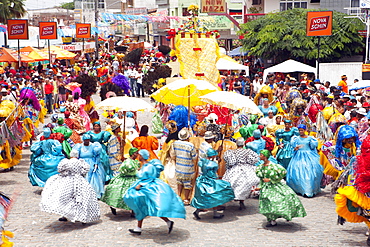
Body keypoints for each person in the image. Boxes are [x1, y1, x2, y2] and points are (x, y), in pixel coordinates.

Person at [123, 150, 186, 235]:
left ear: (142, 156)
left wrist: (141, 184)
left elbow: (150, 177)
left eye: (139, 154)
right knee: (142, 205)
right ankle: (139, 228)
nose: (138, 156)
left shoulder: (149, 166)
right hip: (144, 187)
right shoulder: (144, 165)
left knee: (152, 206)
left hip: (149, 188)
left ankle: (167, 222)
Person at [39, 150, 100, 224]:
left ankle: (65, 215)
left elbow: (60, 170)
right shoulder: (81, 162)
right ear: (77, 155)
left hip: (67, 181)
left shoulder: (66, 162)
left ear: (70, 155)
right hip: (80, 181)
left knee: (65, 199)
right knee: (82, 199)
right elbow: (85, 171)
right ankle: (82, 217)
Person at [256, 150, 307, 227]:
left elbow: (283, 172)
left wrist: (272, 179)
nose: (259, 156)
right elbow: (261, 178)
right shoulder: (260, 167)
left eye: (261, 155)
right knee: (268, 203)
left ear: (265, 156)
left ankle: (286, 213)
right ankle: (272, 220)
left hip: (275, 186)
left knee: (281, 199)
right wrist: (260, 186)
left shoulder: (274, 166)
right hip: (266, 188)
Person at [191, 148, 234, 220]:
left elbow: (201, 165)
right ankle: (215, 213)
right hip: (211, 181)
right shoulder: (213, 164)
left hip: (202, 180)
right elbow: (214, 172)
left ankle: (198, 211)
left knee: (205, 197)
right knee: (215, 195)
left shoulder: (202, 161)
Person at [286, 124, 323, 197]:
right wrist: (295, 148)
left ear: (305, 130)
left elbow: (313, 147)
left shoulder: (310, 138)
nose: (300, 132)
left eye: (302, 130)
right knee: (297, 171)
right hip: (298, 157)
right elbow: (293, 148)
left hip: (309, 157)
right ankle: (299, 189)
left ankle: (308, 190)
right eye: (299, 130)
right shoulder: (296, 138)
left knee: (310, 172)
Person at [223, 138, 260, 210]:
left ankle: (232, 197)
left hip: (235, 169)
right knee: (244, 185)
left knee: (231, 183)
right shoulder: (248, 151)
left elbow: (231, 162)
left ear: (236, 144)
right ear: (243, 144)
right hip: (247, 169)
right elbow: (254, 160)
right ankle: (241, 201)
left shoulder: (232, 152)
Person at [101, 148, 140, 215]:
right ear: (133, 154)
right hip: (126, 179)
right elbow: (125, 171)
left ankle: (134, 211)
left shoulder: (135, 161)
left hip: (134, 178)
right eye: (136, 153)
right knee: (121, 194)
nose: (137, 154)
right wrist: (136, 172)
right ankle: (114, 206)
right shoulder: (128, 162)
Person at [72, 134, 106, 199]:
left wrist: (96, 163)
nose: (86, 142)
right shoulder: (79, 146)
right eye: (85, 140)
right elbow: (75, 155)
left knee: (92, 177)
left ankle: (92, 193)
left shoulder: (94, 146)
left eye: (88, 140)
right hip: (81, 163)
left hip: (91, 163)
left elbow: (97, 156)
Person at [170, 128, 197, 205]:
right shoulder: (190, 145)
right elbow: (194, 157)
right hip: (188, 167)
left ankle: (178, 196)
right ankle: (186, 199)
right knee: (187, 184)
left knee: (179, 182)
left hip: (178, 166)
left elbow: (173, 155)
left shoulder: (175, 144)